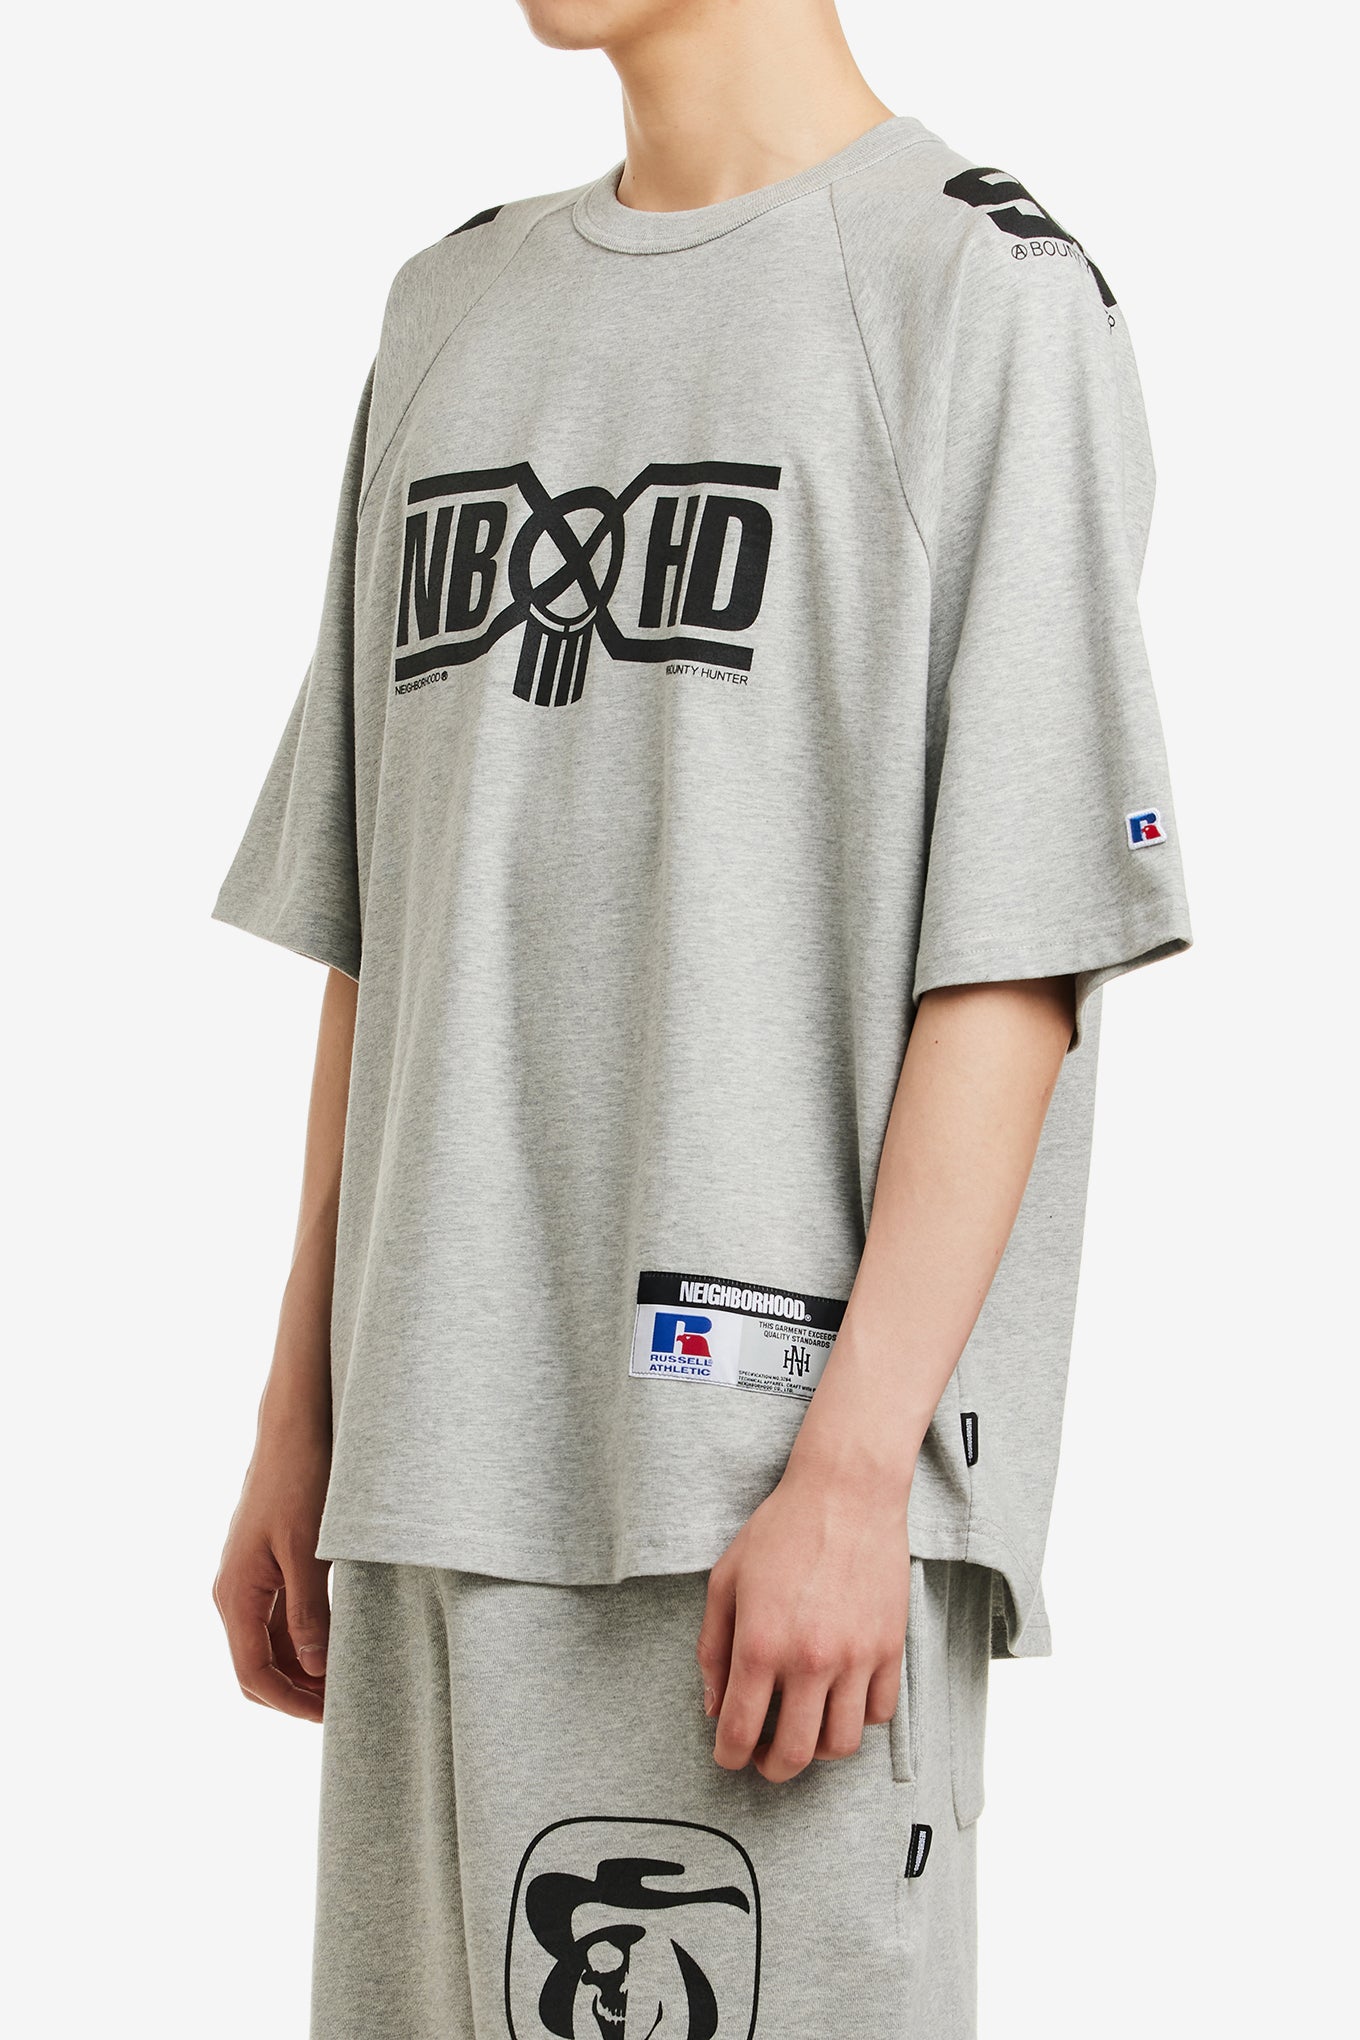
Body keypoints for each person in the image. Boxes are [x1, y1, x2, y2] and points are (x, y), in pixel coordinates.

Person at [209, 1, 1191, 2033]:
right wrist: (298, 1420)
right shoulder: (450, 310)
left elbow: (1014, 953)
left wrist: (857, 1473)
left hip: (750, 1506)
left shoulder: (976, 290)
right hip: (425, 1483)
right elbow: (379, 925)